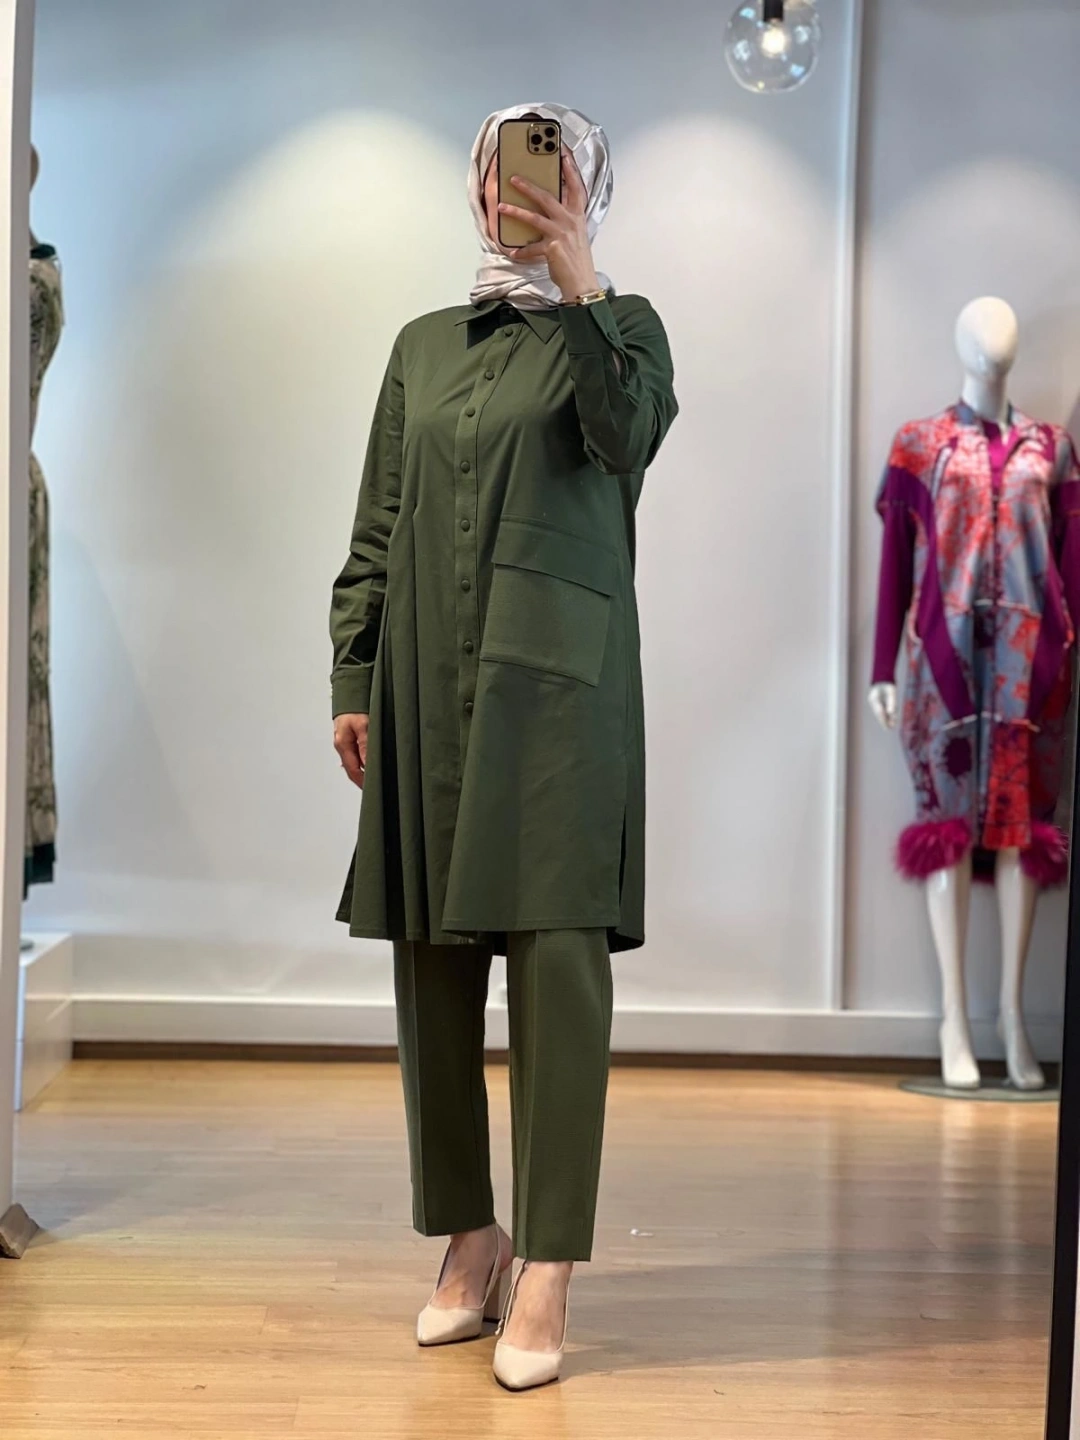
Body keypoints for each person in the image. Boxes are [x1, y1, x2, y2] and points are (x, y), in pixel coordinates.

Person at [329, 101, 677, 1391]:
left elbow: (626, 438)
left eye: (548, 174)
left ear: (586, 190)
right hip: (427, 681)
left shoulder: (627, 331)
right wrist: (354, 670)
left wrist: (584, 283)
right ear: (475, 187)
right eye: (499, 172)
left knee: (556, 975)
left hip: (559, 695)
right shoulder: (422, 346)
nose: (515, 194)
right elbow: (378, 522)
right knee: (431, 970)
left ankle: (552, 1266)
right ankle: (471, 1238)